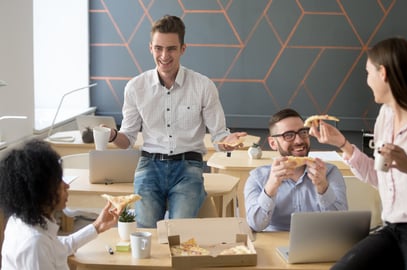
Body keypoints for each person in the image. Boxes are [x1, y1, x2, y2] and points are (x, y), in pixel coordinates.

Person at [310, 37, 407, 269]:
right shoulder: (385, 117)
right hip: (393, 229)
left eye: (368, 73)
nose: (367, 81)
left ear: (382, 72)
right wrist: (342, 144)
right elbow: (379, 178)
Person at [106, 15, 246, 228]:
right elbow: (127, 141)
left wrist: (227, 141)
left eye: (171, 48)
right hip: (149, 166)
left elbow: (218, 137)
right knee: (146, 230)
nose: (164, 55)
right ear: (150, 48)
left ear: (183, 49)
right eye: (158, 48)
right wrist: (113, 135)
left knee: (178, 232)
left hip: (188, 167)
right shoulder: (135, 87)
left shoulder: (203, 86)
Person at [0, 139, 120, 270]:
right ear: (40, 190)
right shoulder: (35, 244)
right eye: (59, 181)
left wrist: (97, 226)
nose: (66, 185)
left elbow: (59, 248)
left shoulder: (19, 220)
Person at [244, 108, 348, 232]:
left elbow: (340, 225)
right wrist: (271, 187)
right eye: (288, 135)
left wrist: (323, 187)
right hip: (273, 246)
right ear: (273, 143)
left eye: (303, 132)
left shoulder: (330, 173)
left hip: (318, 244)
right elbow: (255, 225)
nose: (299, 140)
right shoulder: (257, 178)